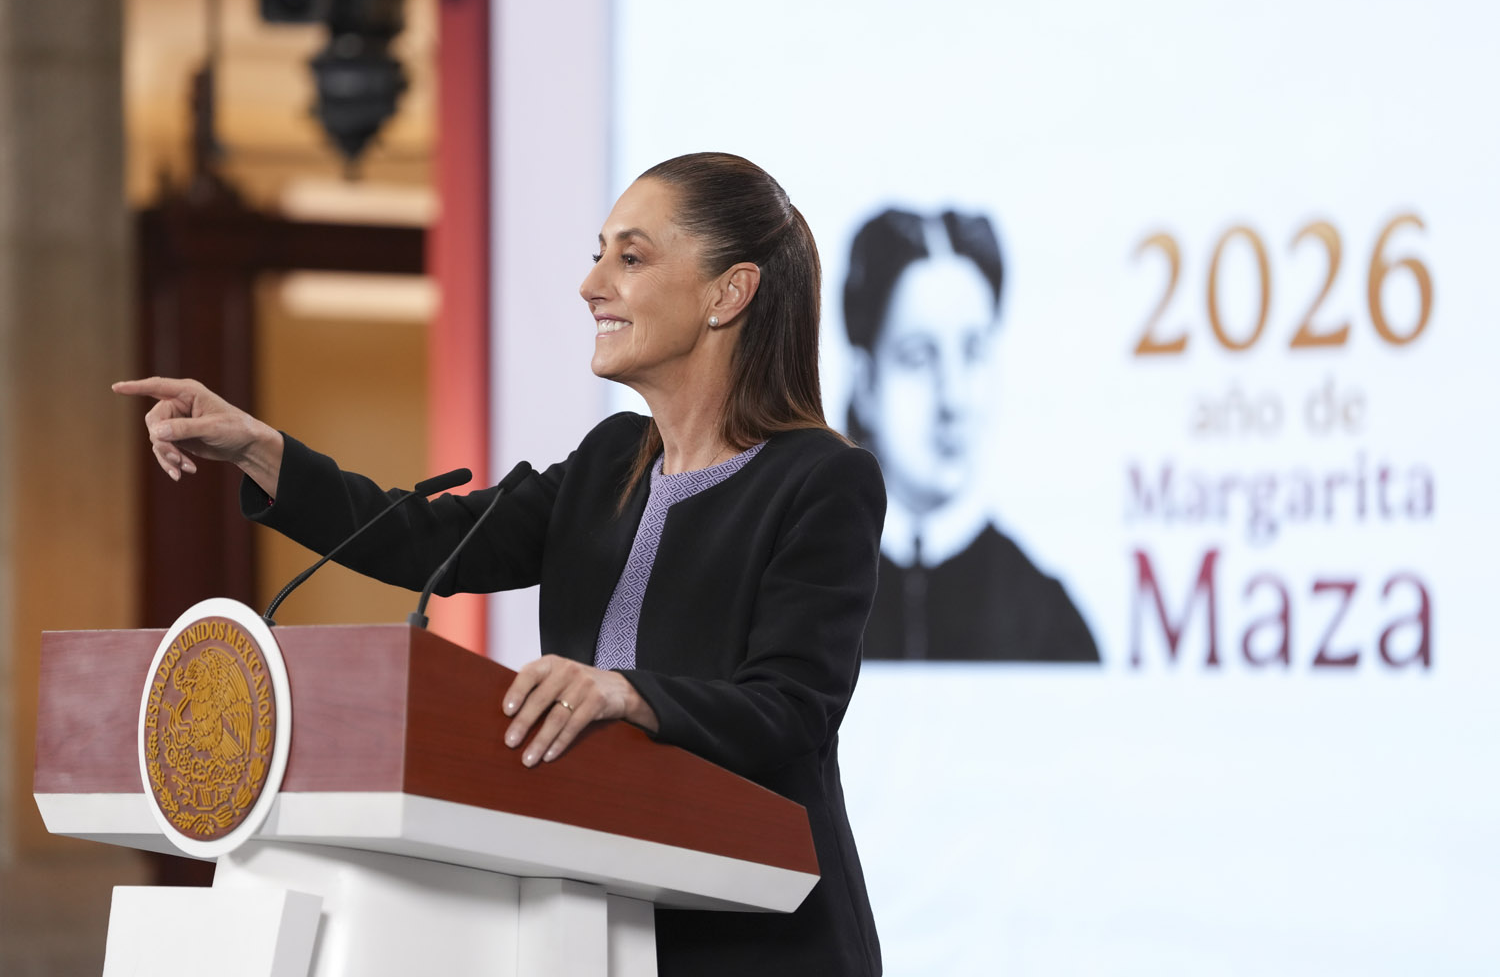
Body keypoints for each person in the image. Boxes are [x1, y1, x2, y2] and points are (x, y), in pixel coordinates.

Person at [116, 153, 884, 976]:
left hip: (760, 939)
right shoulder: (609, 460)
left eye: (629, 258)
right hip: (598, 930)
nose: (591, 285)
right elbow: (424, 540)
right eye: (598, 255)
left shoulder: (821, 478)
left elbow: (792, 708)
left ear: (728, 293)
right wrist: (259, 449)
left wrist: (626, 694)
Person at [842, 207, 1098, 662]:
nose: (954, 400)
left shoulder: (1048, 622)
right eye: (919, 358)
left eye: (974, 352)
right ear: (866, 383)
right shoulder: (803, 592)